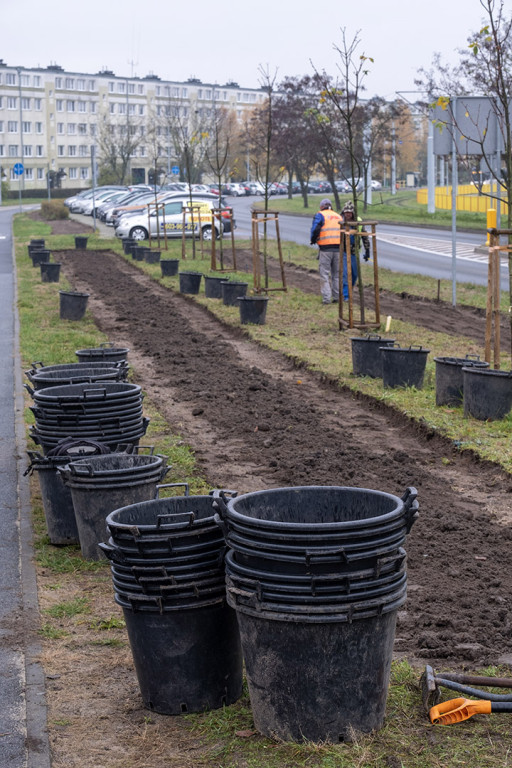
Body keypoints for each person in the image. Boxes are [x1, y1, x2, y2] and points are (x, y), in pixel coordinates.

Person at [310, 198, 343, 304]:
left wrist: (313, 240)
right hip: (338, 248)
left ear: (321, 206)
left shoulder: (320, 215)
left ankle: (326, 299)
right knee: (336, 275)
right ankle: (337, 297)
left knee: (324, 274)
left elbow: (315, 229)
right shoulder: (338, 215)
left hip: (325, 248)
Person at [340, 200, 370, 301]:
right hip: (343, 251)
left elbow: (364, 236)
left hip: (354, 252)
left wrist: (367, 250)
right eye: (346, 212)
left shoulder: (358, 221)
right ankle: (346, 296)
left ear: (353, 212)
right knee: (345, 274)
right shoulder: (340, 221)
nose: (348, 214)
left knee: (354, 274)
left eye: (349, 212)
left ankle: (349, 290)